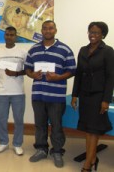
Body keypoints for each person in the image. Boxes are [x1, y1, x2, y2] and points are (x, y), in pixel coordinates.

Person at [24, 20, 76, 168]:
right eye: (45, 28)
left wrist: (58, 77)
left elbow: (72, 70)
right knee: (40, 125)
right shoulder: (33, 49)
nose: (47, 31)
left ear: (55, 30)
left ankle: (57, 151)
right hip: (38, 95)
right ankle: (41, 149)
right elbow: (27, 68)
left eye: (50, 28)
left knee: (56, 125)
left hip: (56, 96)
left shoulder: (65, 49)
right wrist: (32, 75)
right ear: (41, 30)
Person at [71, 22, 114, 172]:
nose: (92, 35)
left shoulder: (108, 51)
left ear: (103, 34)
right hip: (85, 95)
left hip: (98, 96)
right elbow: (79, 74)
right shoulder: (83, 50)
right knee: (88, 130)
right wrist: (75, 95)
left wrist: (106, 100)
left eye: (96, 32)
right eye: (90, 31)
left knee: (94, 130)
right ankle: (92, 158)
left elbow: (110, 77)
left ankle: (87, 164)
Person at [0, 26, 27, 155]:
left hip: (18, 91)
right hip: (2, 91)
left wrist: (16, 73)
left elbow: (28, 70)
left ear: (16, 36)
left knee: (18, 119)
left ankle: (17, 144)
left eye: (12, 35)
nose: (9, 37)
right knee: (0, 119)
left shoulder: (23, 52)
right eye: (7, 34)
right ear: (4, 36)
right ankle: (3, 142)